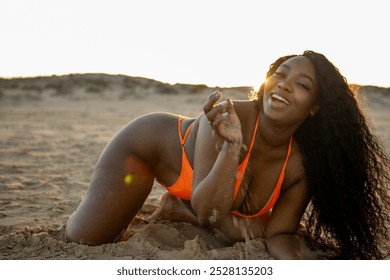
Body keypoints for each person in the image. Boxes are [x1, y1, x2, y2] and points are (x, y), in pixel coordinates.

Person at [65, 51, 390, 259]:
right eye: (280, 73)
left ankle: (178, 207)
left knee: (254, 229)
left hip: (208, 199)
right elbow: (208, 214)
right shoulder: (227, 116)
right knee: (85, 238)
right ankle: (180, 203)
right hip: (143, 150)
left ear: (315, 107)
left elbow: (280, 232)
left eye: (302, 84)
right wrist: (233, 145)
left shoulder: (302, 163)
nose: (285, 84)